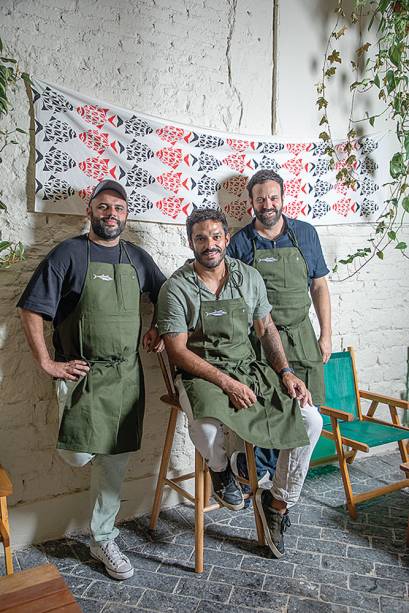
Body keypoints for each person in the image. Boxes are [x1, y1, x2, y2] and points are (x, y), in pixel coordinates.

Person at [18, 179, 166, 580]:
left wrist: (159, 330)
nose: (111, 215)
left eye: (118, 208)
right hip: (80, 374)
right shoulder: (68, 253)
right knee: (78, 454)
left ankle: (103, 537)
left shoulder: (137, 257)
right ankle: (95, 515)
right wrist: (48, 363)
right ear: (89, 211)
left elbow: (165, 295)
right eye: (103, 207)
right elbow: (31, 310)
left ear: (126, 215)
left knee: (113, 464)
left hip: (126, 375)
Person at [157, 208, 323, 558]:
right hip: (199, 372)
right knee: (207, 432)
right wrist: (225, 382)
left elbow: (266, 329)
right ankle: (221, 471)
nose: (209, 244)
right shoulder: (177, 287)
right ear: (191, 242)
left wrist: (286, 372)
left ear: (227, 238)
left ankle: (277, 502)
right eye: (201, 238)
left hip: (248, 368)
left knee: (311, 420)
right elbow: (177, 351)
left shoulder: (248, 277)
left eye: (216, 236)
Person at [227, 169, 331, 483]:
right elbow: (233, 297)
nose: (268, 204)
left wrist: (325, 335)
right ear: (251, 203)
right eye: (261, 199)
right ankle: (264, 475)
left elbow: (320, 287)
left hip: (302, 336)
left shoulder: (306, 233)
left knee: (309, 414)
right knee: (270, 412)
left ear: (283, 198)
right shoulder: (239, 243)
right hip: (261, 341)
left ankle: (271, 479)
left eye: (273, 197)